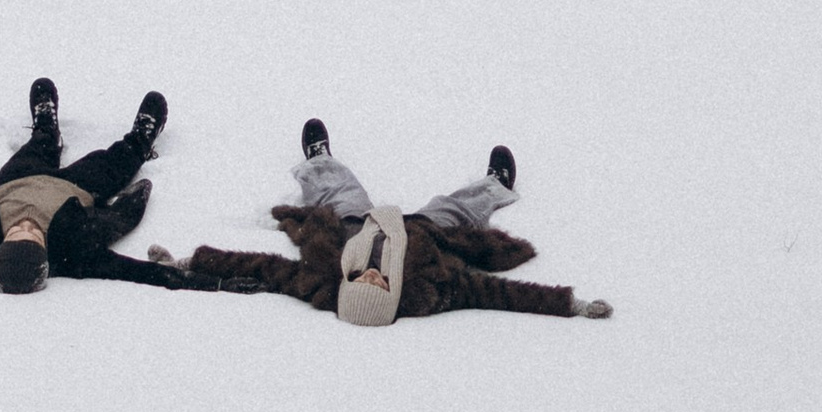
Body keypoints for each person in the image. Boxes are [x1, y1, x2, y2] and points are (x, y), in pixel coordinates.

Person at [161, 120, 603, 320]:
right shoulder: (430, 290)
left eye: (361, 284)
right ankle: (493, 186)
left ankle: (320, 162)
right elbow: (499, 294)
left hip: (353, 225)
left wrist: (190, 260)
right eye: (380, 288)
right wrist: (570, 305)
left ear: (346, 285)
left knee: (338, 189)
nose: (372, 278)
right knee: (457, 210)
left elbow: (262, 269)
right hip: (422, 234)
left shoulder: (321, 279)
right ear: (393, 296)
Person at [0, 78, 184, 294]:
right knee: (117, 163)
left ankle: (46, 130)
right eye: (35, 235)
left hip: (16, 180)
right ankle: (140, 139)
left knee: (40, 145)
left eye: (15, 232)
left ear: (1, 246)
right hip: (76, 185)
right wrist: (129, 206)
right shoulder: (73, 251)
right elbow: (129, 269)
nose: (26, 226)